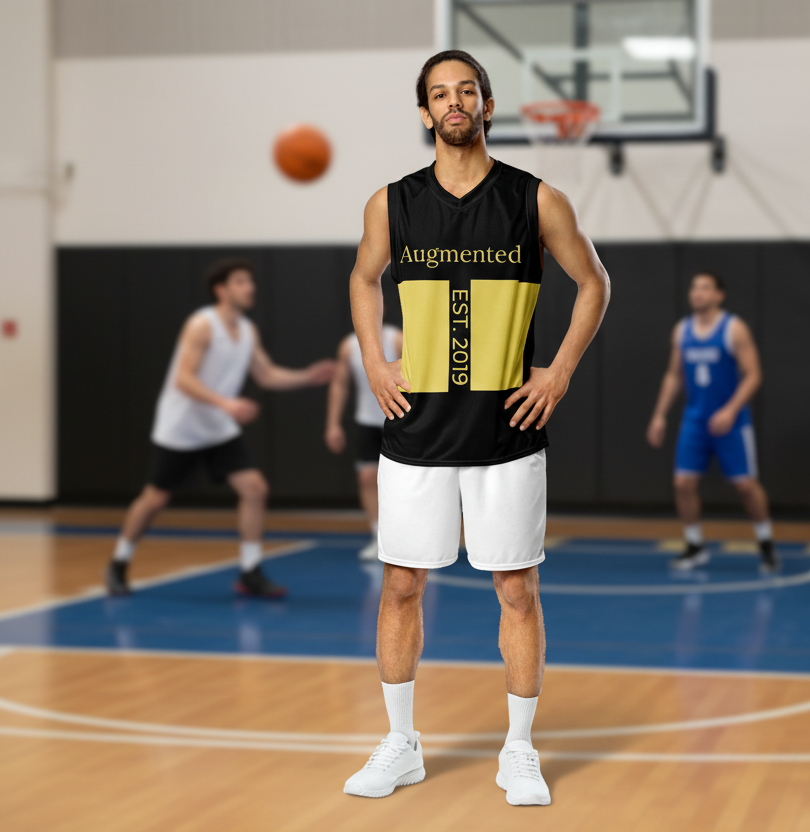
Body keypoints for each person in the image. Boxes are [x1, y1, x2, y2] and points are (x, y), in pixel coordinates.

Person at [343, 51, 609, 805]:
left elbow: (594, 282)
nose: (454, 103)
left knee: (516, 589)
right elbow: (364, 278)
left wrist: (557, 371)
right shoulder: (389, 204)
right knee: (401, 586)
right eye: (439, 94)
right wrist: (373, 356)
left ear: (487, 106)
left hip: (505, 429)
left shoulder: (535, 200)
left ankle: (518, 751)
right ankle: (401, 744)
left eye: (467, 91)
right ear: (425, 114)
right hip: (416, 426)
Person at [105, 259, 335, 598]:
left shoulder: (247, 331)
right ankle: (118, 562)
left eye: (251, 281)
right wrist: (227, 404)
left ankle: (250, 570)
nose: (250, 287)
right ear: (221, 290)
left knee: (254, 488)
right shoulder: (201, 325)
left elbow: (266, 374)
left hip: (217, 426)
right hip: (181, 427)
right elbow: (183, 378)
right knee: (155, 499)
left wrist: (306, 376)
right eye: (241, 281)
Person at [647, 271, 779, 573]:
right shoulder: (682, 331)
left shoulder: (734, 328)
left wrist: (731, 410)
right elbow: (673, 375)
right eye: (694, 287)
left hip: (731, 421)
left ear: (719, 295)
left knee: (746, 486)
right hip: (695, 419)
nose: (697, 293)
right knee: (683, 483)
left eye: (705, 288)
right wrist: (659, 415)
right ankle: (694, 546)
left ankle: (766, 542)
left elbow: (754, 374)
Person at [325, 324, 403, 560]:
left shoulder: (396, 339)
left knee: (404, 480)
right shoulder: (348, 345)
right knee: (367, 477)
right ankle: (377, 537)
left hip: (398, 417)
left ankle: (409, 537)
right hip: (366, 421)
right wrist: (333, 423)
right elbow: (340, 383)